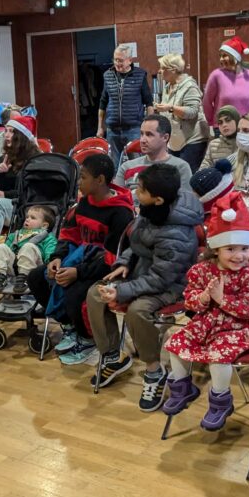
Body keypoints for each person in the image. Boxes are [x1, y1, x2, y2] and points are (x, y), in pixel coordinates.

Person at [86, 163, 204, 412]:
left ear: (158, 199)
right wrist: (124, 262)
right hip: (141, 273)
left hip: (171, 285)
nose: (135, 193)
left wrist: (121, 291)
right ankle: (113, 355)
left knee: (137, 310)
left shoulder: (177, 233)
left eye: (140, 190)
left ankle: (154, 370)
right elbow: (136, 243)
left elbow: (160, 278)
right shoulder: (153, 209)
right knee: (96, 293)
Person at [162, 190, 249, 430]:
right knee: (176, 342)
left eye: (244, 249)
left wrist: (222, 300)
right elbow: (189, 300)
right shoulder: (202, 271)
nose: (239, 255)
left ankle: (220, 401)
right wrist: (203, 298)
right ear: (216, 249)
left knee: (218, 354)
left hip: (243, 327)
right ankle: (182, 388)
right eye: (231, 249)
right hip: (207, 324)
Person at [27, 153, 134, 366]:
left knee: (75, 292)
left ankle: (87, 339)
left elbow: (112, 259)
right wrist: (57, 258)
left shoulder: (121, 213)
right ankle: (71, 326)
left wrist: (78, 273)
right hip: (77, 260)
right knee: (37, 277)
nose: (78, 182)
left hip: (104, 269)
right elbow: (69, 235)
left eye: (83, 177)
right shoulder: (83, 203)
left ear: (100, 180)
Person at [0, 115, 41, 260]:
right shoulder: (7, 157)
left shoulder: (34, 160)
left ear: (21, 136)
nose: (6, 135)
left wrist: (5, 194)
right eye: (6, 130)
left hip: (26, 207)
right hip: (9, 206)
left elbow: (30, 192)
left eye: (11, 131)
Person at [97, 44, 153, 165]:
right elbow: (103, 102)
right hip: (112, 131)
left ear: (130, 60)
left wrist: (149, 127)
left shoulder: (140, 75)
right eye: (115, 59)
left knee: (136, 164)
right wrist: (100, 127)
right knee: (113, 166)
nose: (117, 63)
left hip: (134, 129)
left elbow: (149, 102)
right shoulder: (107, 75)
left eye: (120, 60)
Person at [113, 114, 192, 198]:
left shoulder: (181, 167)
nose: (142, 140)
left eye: (149, 134)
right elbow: (117, 201)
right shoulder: (126, 167)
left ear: (165, 137)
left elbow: (186, 202)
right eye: (142, 134)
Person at [155, 53, 207, 171]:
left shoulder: (190, 86)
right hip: (174, 141)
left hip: (192, 140)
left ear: (173, 70)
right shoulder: (168, 87)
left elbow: (192, 112)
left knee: (186, 175)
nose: (160, 71)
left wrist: (170, 108)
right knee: (174, 175)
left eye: (163, 68)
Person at [0, 205, 57, 292]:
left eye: (32, 218)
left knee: (28, 246)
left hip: (34, 268)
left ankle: (25, 278)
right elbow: (5, 251)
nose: (27, 219)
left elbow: (50, 252)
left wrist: (50, 262)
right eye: (27, 217)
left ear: (44, 225)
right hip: (13, 266)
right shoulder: (15, 235)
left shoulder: (48, 237)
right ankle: (0, 276)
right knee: (1, 247)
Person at [202, 37, 249, 123]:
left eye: (224, 56)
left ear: (235, 56)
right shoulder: (216, 75)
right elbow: (207, 102)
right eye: (220, 56)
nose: (221, 59)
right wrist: (212, 121)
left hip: (245, 126)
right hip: (222, 126)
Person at [199, 105, 240, 169]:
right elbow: (203, 170)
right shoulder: (213, 145)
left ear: (237, 121)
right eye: (220, 122)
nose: (224, 125)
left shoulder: (246, 143)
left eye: (228, 120)